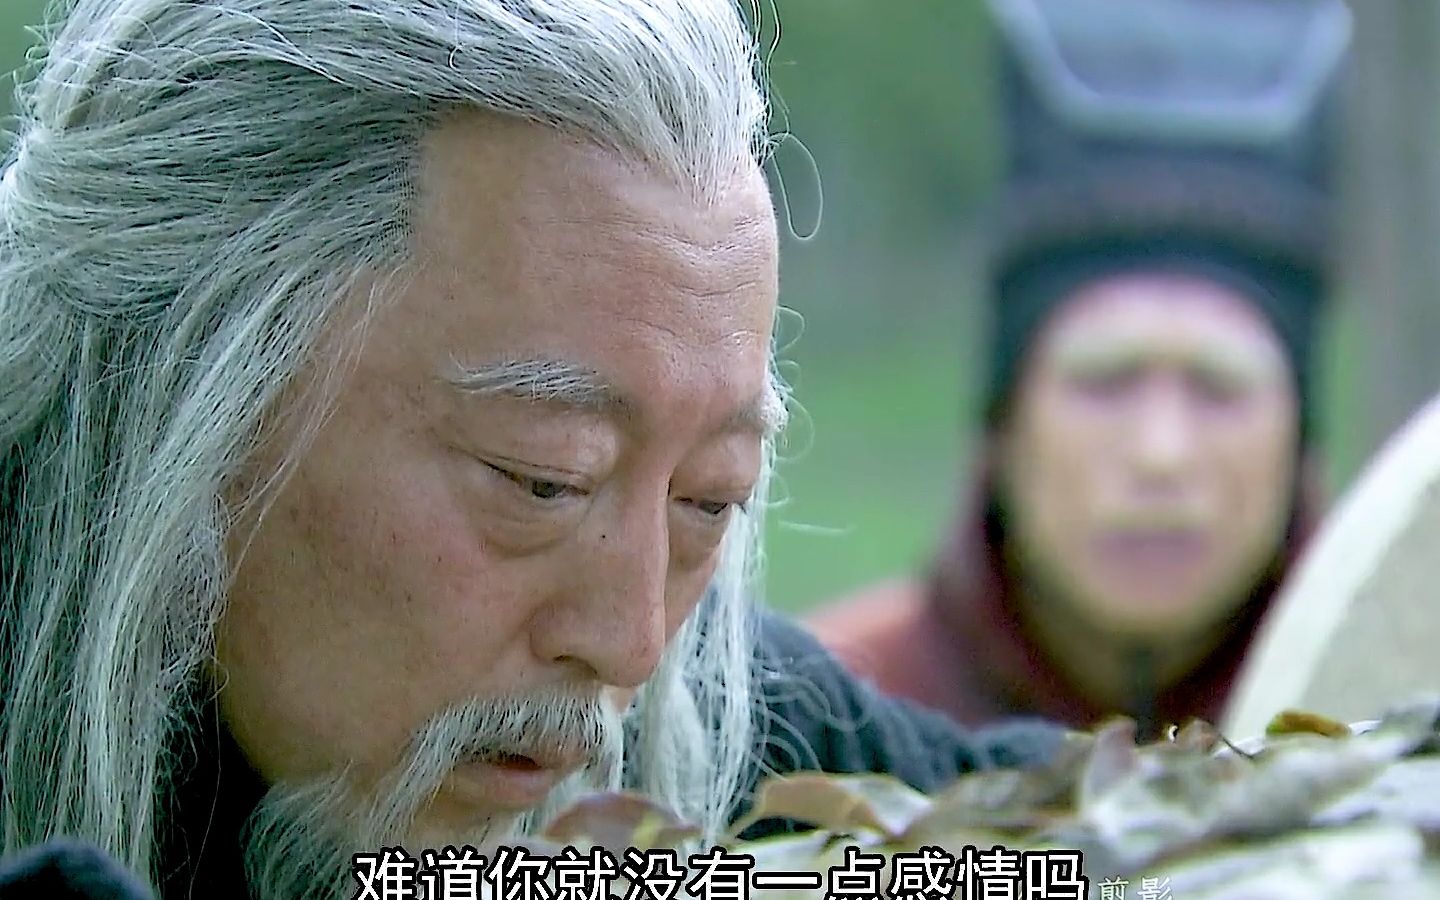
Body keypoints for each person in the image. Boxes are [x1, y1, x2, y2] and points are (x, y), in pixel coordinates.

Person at [0, 1, 1065, 897]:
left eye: (708, 500)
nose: (631, 643)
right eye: (544, 481)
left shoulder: (699, 737)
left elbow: (1084, 853)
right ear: (186, 384)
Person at [807, 0, 1349, 741]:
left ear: (1300, 438)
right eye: (1105, 382)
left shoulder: (1403, 731)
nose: (1161, 453)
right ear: (1004, 422)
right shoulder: (826, 721)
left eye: (1219, 389)